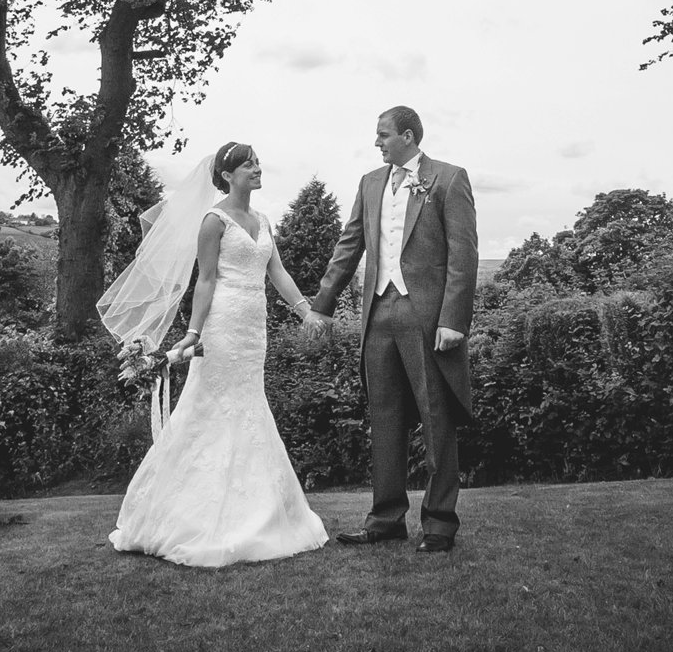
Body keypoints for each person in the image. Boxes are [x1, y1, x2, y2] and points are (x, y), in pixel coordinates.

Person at [101, 142, 329, 567]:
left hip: (253, 330)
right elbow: (205, 280)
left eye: (258, 162)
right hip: (223, 325)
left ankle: (258, 510)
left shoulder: (262, 219)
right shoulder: (214, 220)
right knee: (212, 408)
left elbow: (275, 270)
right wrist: (192, 334)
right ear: (227, 175)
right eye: (248, 165)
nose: (258, 169)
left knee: (250, 406)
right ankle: (191, 514)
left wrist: (305, 312)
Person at [305, 105, 478, 553]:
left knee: (436, 421)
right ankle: (385, 519)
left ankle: (439, 523)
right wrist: (322, 305)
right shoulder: (369, 183)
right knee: (384, 420)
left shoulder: (449, 178)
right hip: (378, 317)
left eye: (383, 134)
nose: (376, 142)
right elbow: (349, 245)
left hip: (427, 320)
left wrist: (452, 320)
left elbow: (464, 256)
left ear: (407, 135)